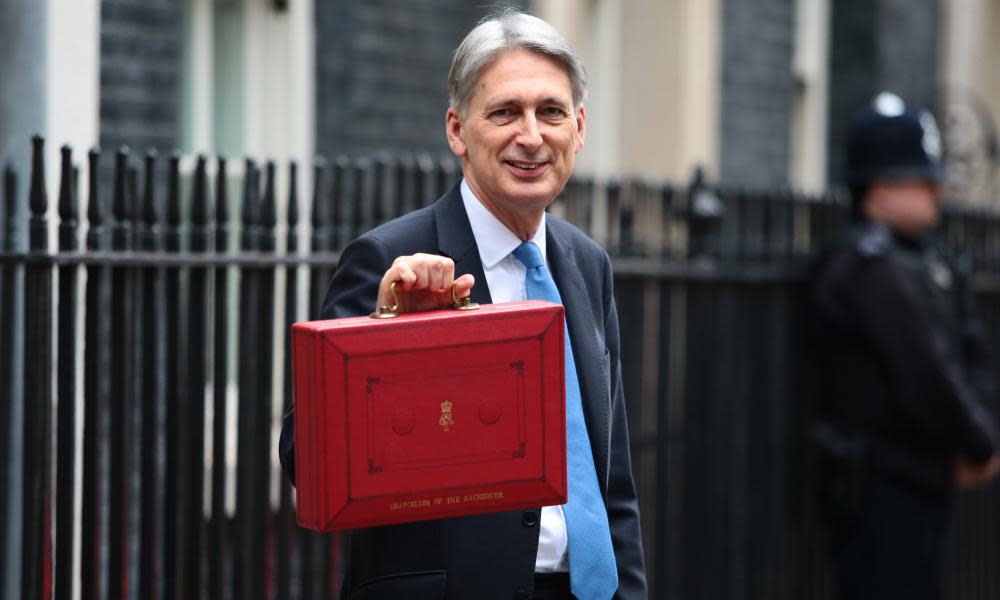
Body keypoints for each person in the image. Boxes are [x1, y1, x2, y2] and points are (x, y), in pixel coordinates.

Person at [279, 10, 646, 600]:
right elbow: (308, 466)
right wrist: (389, 334)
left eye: (550, 112)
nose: (531, 135)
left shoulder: (587, 264)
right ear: (457, 130)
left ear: (578, 128)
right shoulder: (388, 258)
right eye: (504, 112)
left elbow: (613, 483)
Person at [808, 91, 1000, 600]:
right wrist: (981, 444)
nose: (938, 193)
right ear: (879, 186)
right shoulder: (868, 266)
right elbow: (927, 373)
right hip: (882, 487)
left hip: (922, 477)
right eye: (923, 179)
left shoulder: (922, 260)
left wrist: (981, 437)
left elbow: (969, 351)